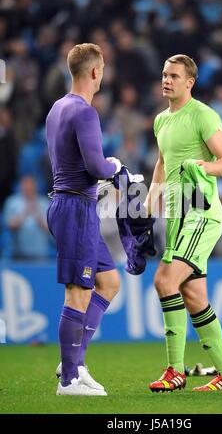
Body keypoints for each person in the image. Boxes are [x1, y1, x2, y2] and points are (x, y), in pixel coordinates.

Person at [144, 54, 222, 392]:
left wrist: (203, 166)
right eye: (164, 74)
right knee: (193, 295)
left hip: (200, 212)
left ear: (190, 82)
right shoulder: (161, 121)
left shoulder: (203, 114)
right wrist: (148, 203)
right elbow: (161, 163)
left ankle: (176, 371)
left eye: (174, 75)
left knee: (165, 280)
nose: (167, 80)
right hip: (176, 216)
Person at [46, 43, 121, 396]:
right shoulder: (85, 111)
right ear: (95, 72)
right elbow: (95, 167)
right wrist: (116, 168)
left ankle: (74, 361)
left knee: (108, 283)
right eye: (102, 69)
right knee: (78, 293)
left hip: (71, 206)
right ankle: (69, 381)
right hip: (76, 209)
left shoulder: (57, 108)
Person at [3, 175, 50, 260]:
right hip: (18, 252)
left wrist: (37, 215)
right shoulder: (12, 202)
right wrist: (24, 214)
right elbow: (9, 225)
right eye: (25, 187)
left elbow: (50, 228)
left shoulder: (44, 203)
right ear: (21, 187)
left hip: (39, 253)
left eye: (30, 187)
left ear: (35, 187)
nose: (28, 189)